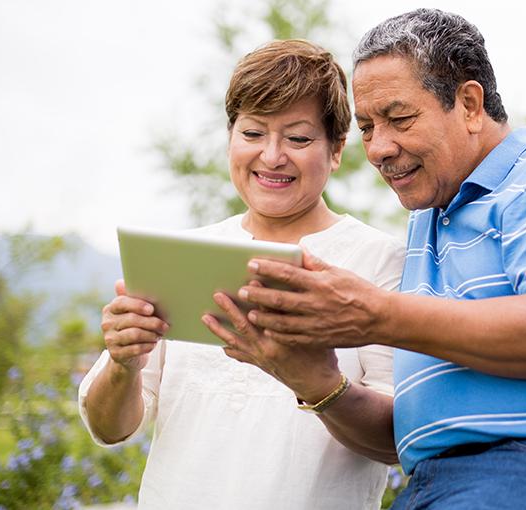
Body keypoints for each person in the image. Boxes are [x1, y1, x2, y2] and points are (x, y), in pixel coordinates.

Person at [223, 9, 526, 509]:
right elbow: (401, 443)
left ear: (470, 104)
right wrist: (317, 382)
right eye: (367, 127)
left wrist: (375, 314)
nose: (379, 148)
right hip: (441, 485)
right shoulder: (427, 226)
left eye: (399, 118)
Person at [78, 39, 402, 509]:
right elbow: (110, 428)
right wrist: (123, 363)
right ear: (230, 137)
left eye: (298, 138)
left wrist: (317, 383)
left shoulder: (380, 260)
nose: (271, 157)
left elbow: (396, 438)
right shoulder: (182, 256)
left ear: (336, 151)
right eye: (252, 133)